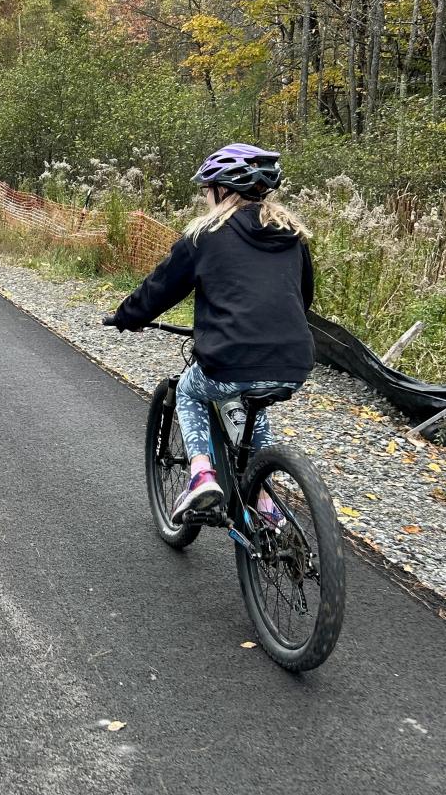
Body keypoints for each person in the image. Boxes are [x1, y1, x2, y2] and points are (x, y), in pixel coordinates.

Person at [107, 143, 315, 525]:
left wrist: (127, 316)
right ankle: (266, 502)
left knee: (189, 390)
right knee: (253, 402)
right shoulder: (292, 235)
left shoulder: (206, 235)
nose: (205, 197)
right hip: (293, 361)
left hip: (229, 357)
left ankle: (201, 476)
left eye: (207, 189)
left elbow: (161, 288)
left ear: (222, 190)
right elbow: (303, 298)